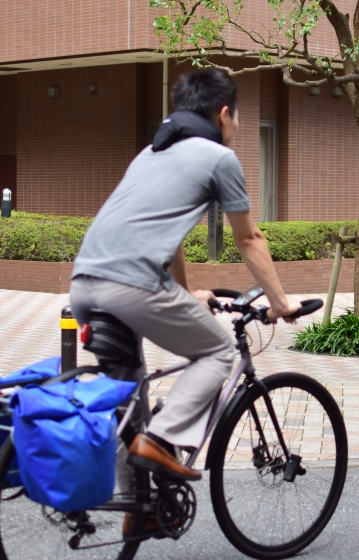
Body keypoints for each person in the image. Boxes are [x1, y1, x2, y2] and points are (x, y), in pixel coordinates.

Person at [70, 68, 300, 482]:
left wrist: (186, 292)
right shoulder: (219, 158)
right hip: (132, 286)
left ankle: (137, 510)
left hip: (84, 284)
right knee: (218, 353)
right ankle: (161, 441)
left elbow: (167, 236)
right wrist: (281, 303)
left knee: (130, 399)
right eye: (238, 117)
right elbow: (249, 239)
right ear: (223, 114)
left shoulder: (151, 153)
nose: (238, 126)